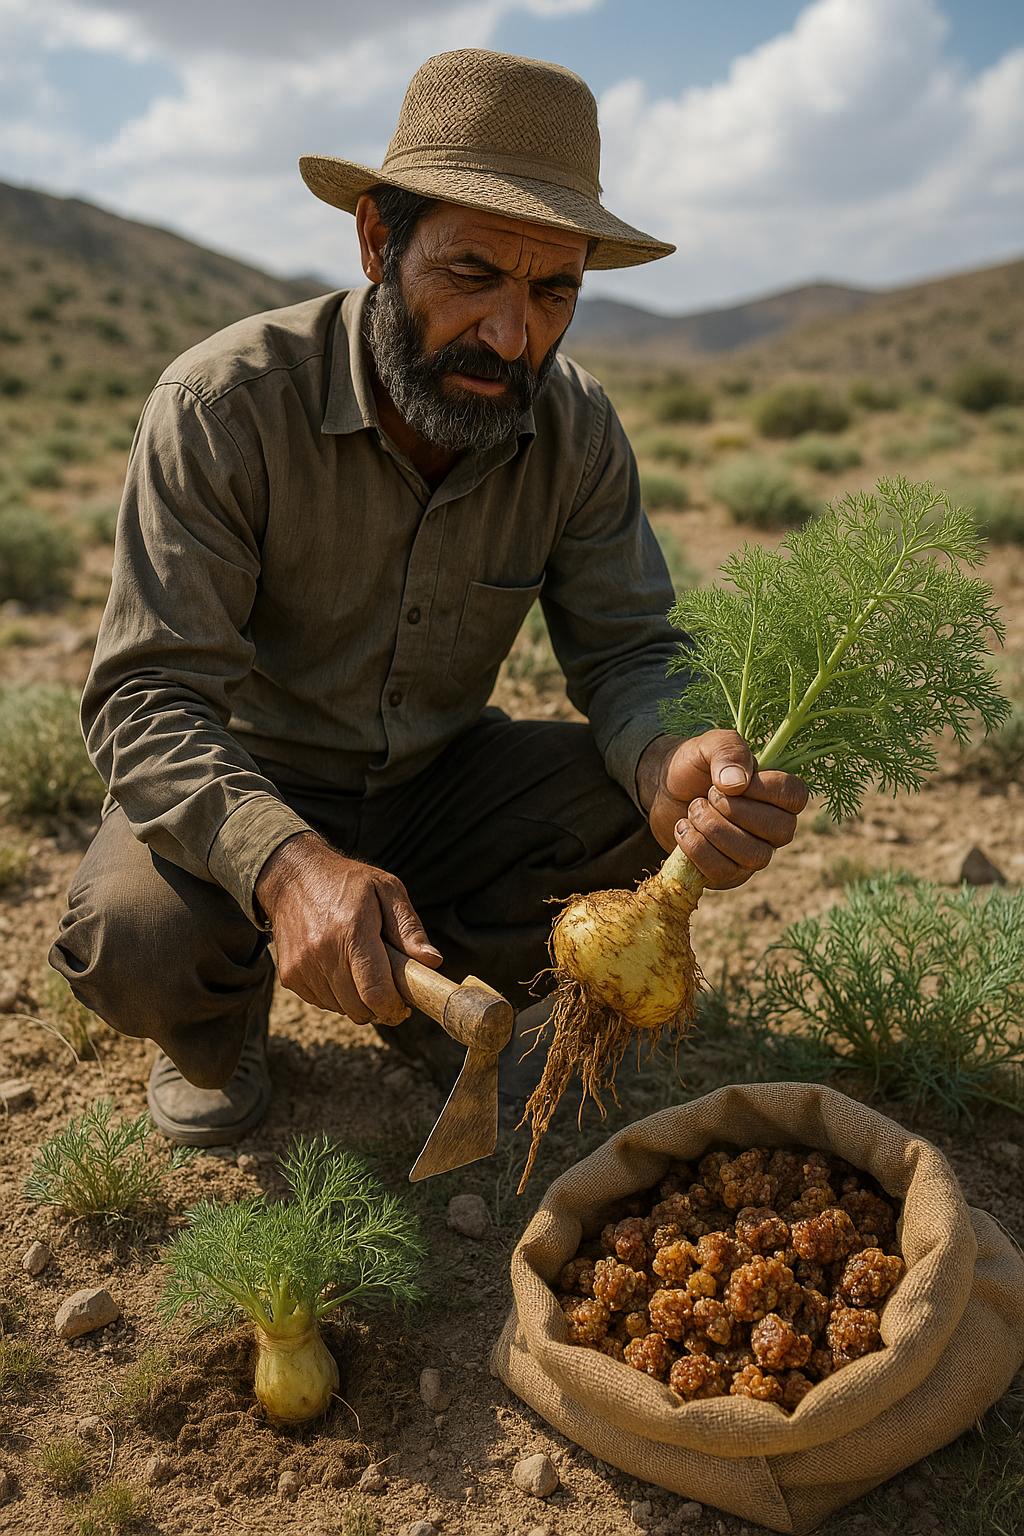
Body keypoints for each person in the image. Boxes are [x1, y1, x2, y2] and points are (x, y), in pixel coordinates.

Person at [50, 49, 807, 1146]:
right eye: (473, 275)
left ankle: (440, 1009)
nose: (512, 336)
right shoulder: (222, 406)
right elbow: (144, 700)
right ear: (376, 241)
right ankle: (222, 1034)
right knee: (135, 938)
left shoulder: (577, 429)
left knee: (632, 817)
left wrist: (666, 756)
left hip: (438, 786)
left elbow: (629, 650)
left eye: (553, 292)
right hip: (249, 777)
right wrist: (284, 863)